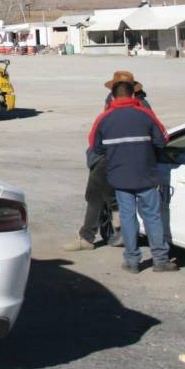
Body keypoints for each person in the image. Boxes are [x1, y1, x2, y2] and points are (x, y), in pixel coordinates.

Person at [89, 79, 178, 273]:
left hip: (120, 178)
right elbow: (163, 140)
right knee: (153, 217)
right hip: (146, 176)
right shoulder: (146, 115)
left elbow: (95, 146)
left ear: (113, 97)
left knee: (128, 218)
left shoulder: (103, 119)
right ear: (133, 95)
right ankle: (160, 260)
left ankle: (132, 261)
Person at [63, 71, 150, 252]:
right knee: (102, 194)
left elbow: (98, 136)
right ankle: (114, 226)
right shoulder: (143, 105)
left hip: (112, 157)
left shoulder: (126, 105)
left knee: (94, 194)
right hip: (131, 157)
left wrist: (97, 155)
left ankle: (92, 235)